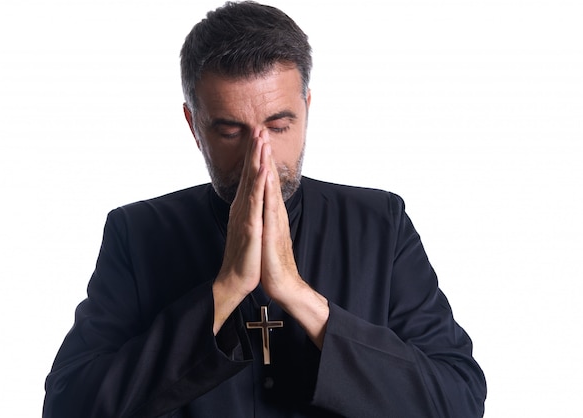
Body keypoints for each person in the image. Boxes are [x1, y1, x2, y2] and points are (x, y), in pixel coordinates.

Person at [43, 1, 487, 417]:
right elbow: (69, 404)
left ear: (306, 109)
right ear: (194, 125)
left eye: (278, 125)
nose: (262, 155)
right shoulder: (137, 233)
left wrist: (298, 296)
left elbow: (458, 398)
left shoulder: (380, 223)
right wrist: (225, 291)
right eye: (232, 131)